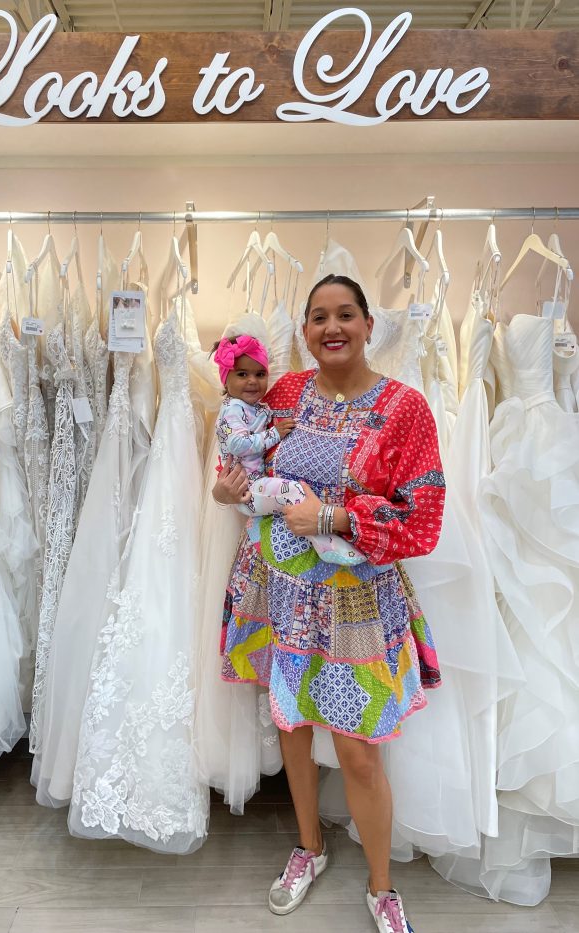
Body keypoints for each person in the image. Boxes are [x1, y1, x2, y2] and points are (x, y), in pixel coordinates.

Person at [213, 274, 445, 931]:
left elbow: (423, 517)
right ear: (305, 331)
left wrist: (335, 517)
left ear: (369, 325)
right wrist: (225, 491)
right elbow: (242, 467)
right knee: (291, 725)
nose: (332, 327)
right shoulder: (282, 393)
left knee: (358, 750)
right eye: (318, 317)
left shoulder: (404, 408)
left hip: (355, 603)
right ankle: (309, 847)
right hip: (281, 589)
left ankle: (381, 887)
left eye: (345, 314)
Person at [213, 333, 366, 566]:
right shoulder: (234, 409)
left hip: (255, 487)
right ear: (226, 380)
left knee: (293, 495)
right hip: (248, 490)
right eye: (242, 374)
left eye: (260, 374)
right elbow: (237, 444)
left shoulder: (253, 406)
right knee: (294, 491)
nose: (252, 381)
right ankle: (326, 544)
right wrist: (275, 434)